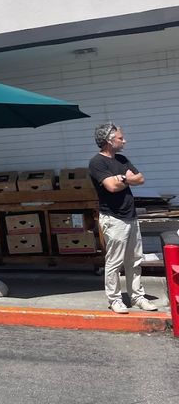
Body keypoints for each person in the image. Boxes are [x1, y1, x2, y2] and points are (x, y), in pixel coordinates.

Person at [88, 123, 158, 313]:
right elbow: (111, 186)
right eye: (120, 138)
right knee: (115, 261)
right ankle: (115, 299)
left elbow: (140, 178)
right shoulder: (97, 162)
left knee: (134, 260)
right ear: (109, 141)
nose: (124, 141)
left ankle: (137, 297)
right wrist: (126, 179)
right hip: (114, 218)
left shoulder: (122, 159)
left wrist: (123, 179)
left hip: (131, 216)